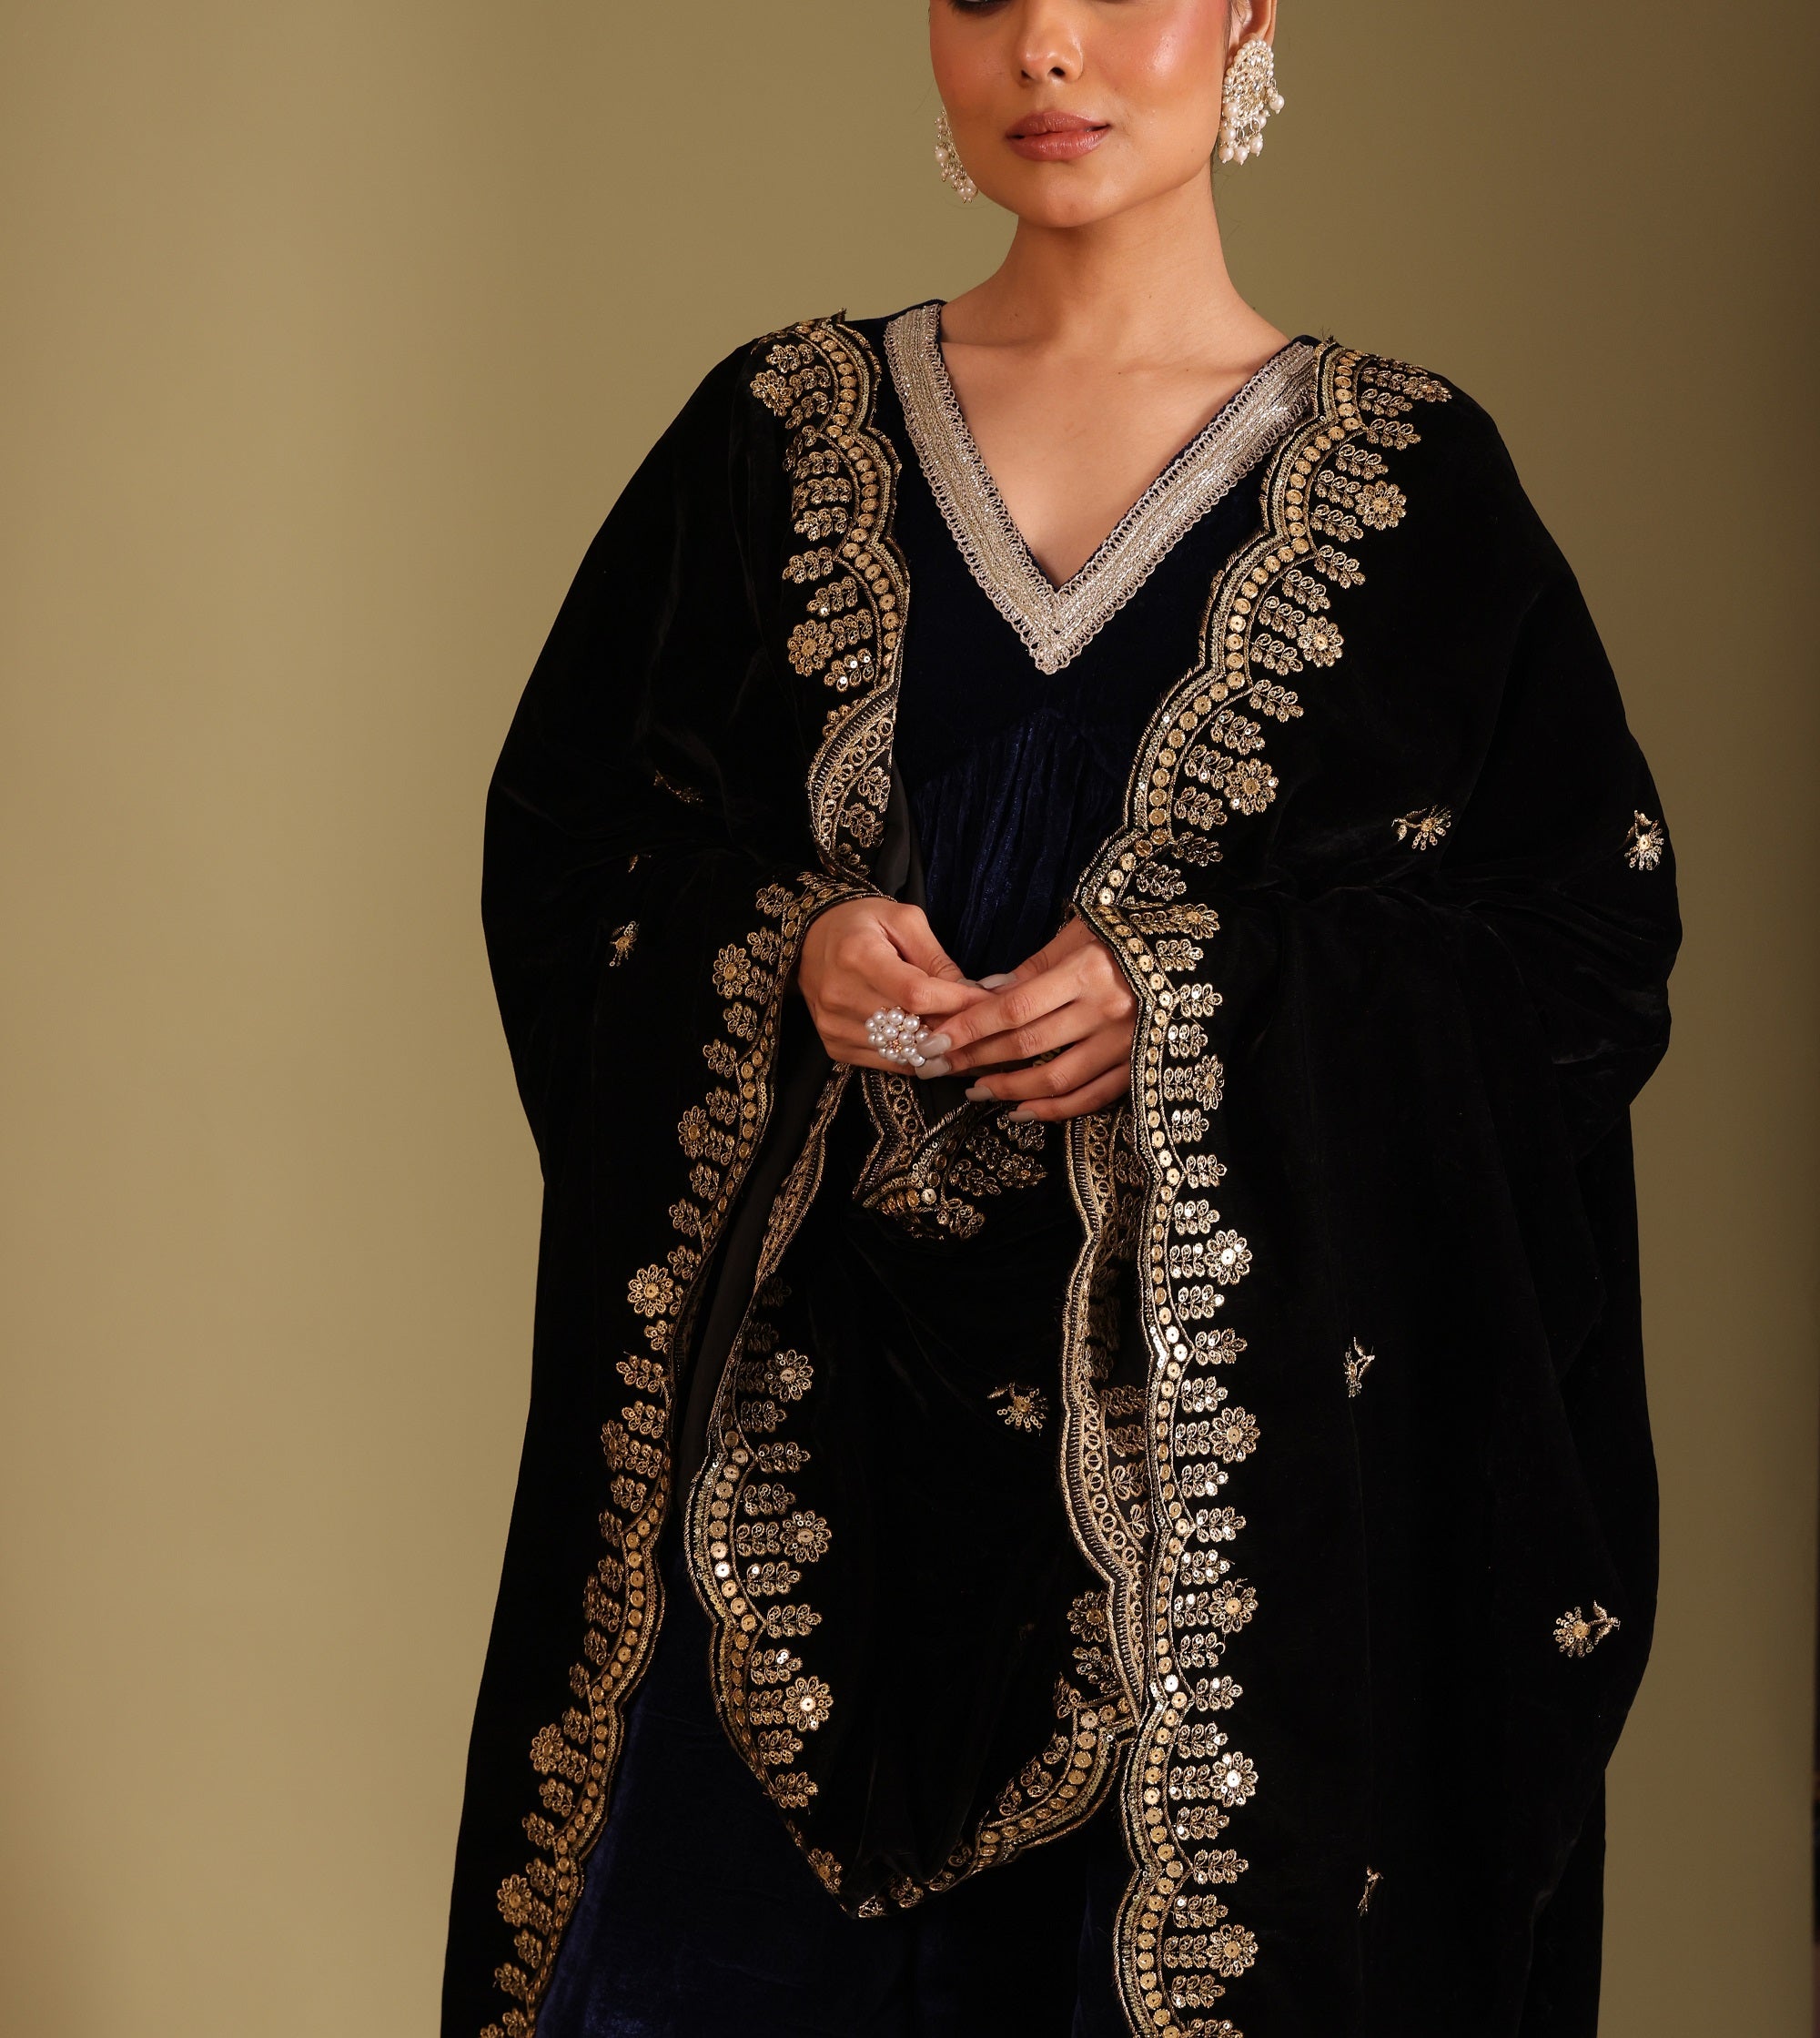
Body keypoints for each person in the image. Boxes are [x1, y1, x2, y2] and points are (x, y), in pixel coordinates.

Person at [442, 3, 1680, 2033]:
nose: (1047, 45)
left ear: (1251, 13)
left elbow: (1576, 962)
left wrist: (1208, 1004)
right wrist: (787, 950)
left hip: (1229, 1574)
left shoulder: (1415, 494)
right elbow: (576, 857)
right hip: (788, 1517)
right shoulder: (772, 436)